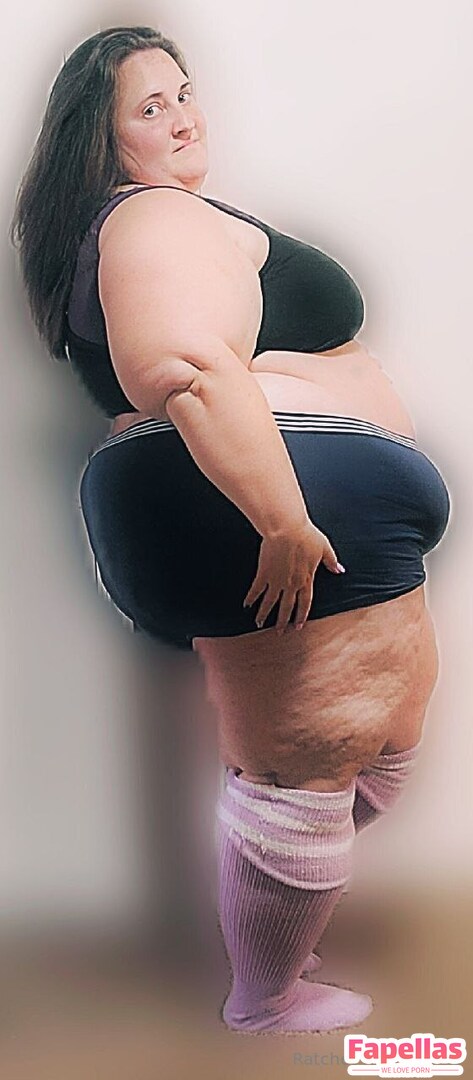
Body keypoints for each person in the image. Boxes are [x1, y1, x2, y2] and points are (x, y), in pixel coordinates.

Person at [10, 25, 450, 1035]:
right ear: (102, 140)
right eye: (149, 107)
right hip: (269, 502)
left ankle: (274, 890)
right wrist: (281, 519)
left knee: (369, 737)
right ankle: (266, 993)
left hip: (272, 491)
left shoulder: (155, 219)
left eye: (184, 92)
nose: (181, 117)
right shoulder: (150, 215)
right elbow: (185, 367)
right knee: (317, 746)